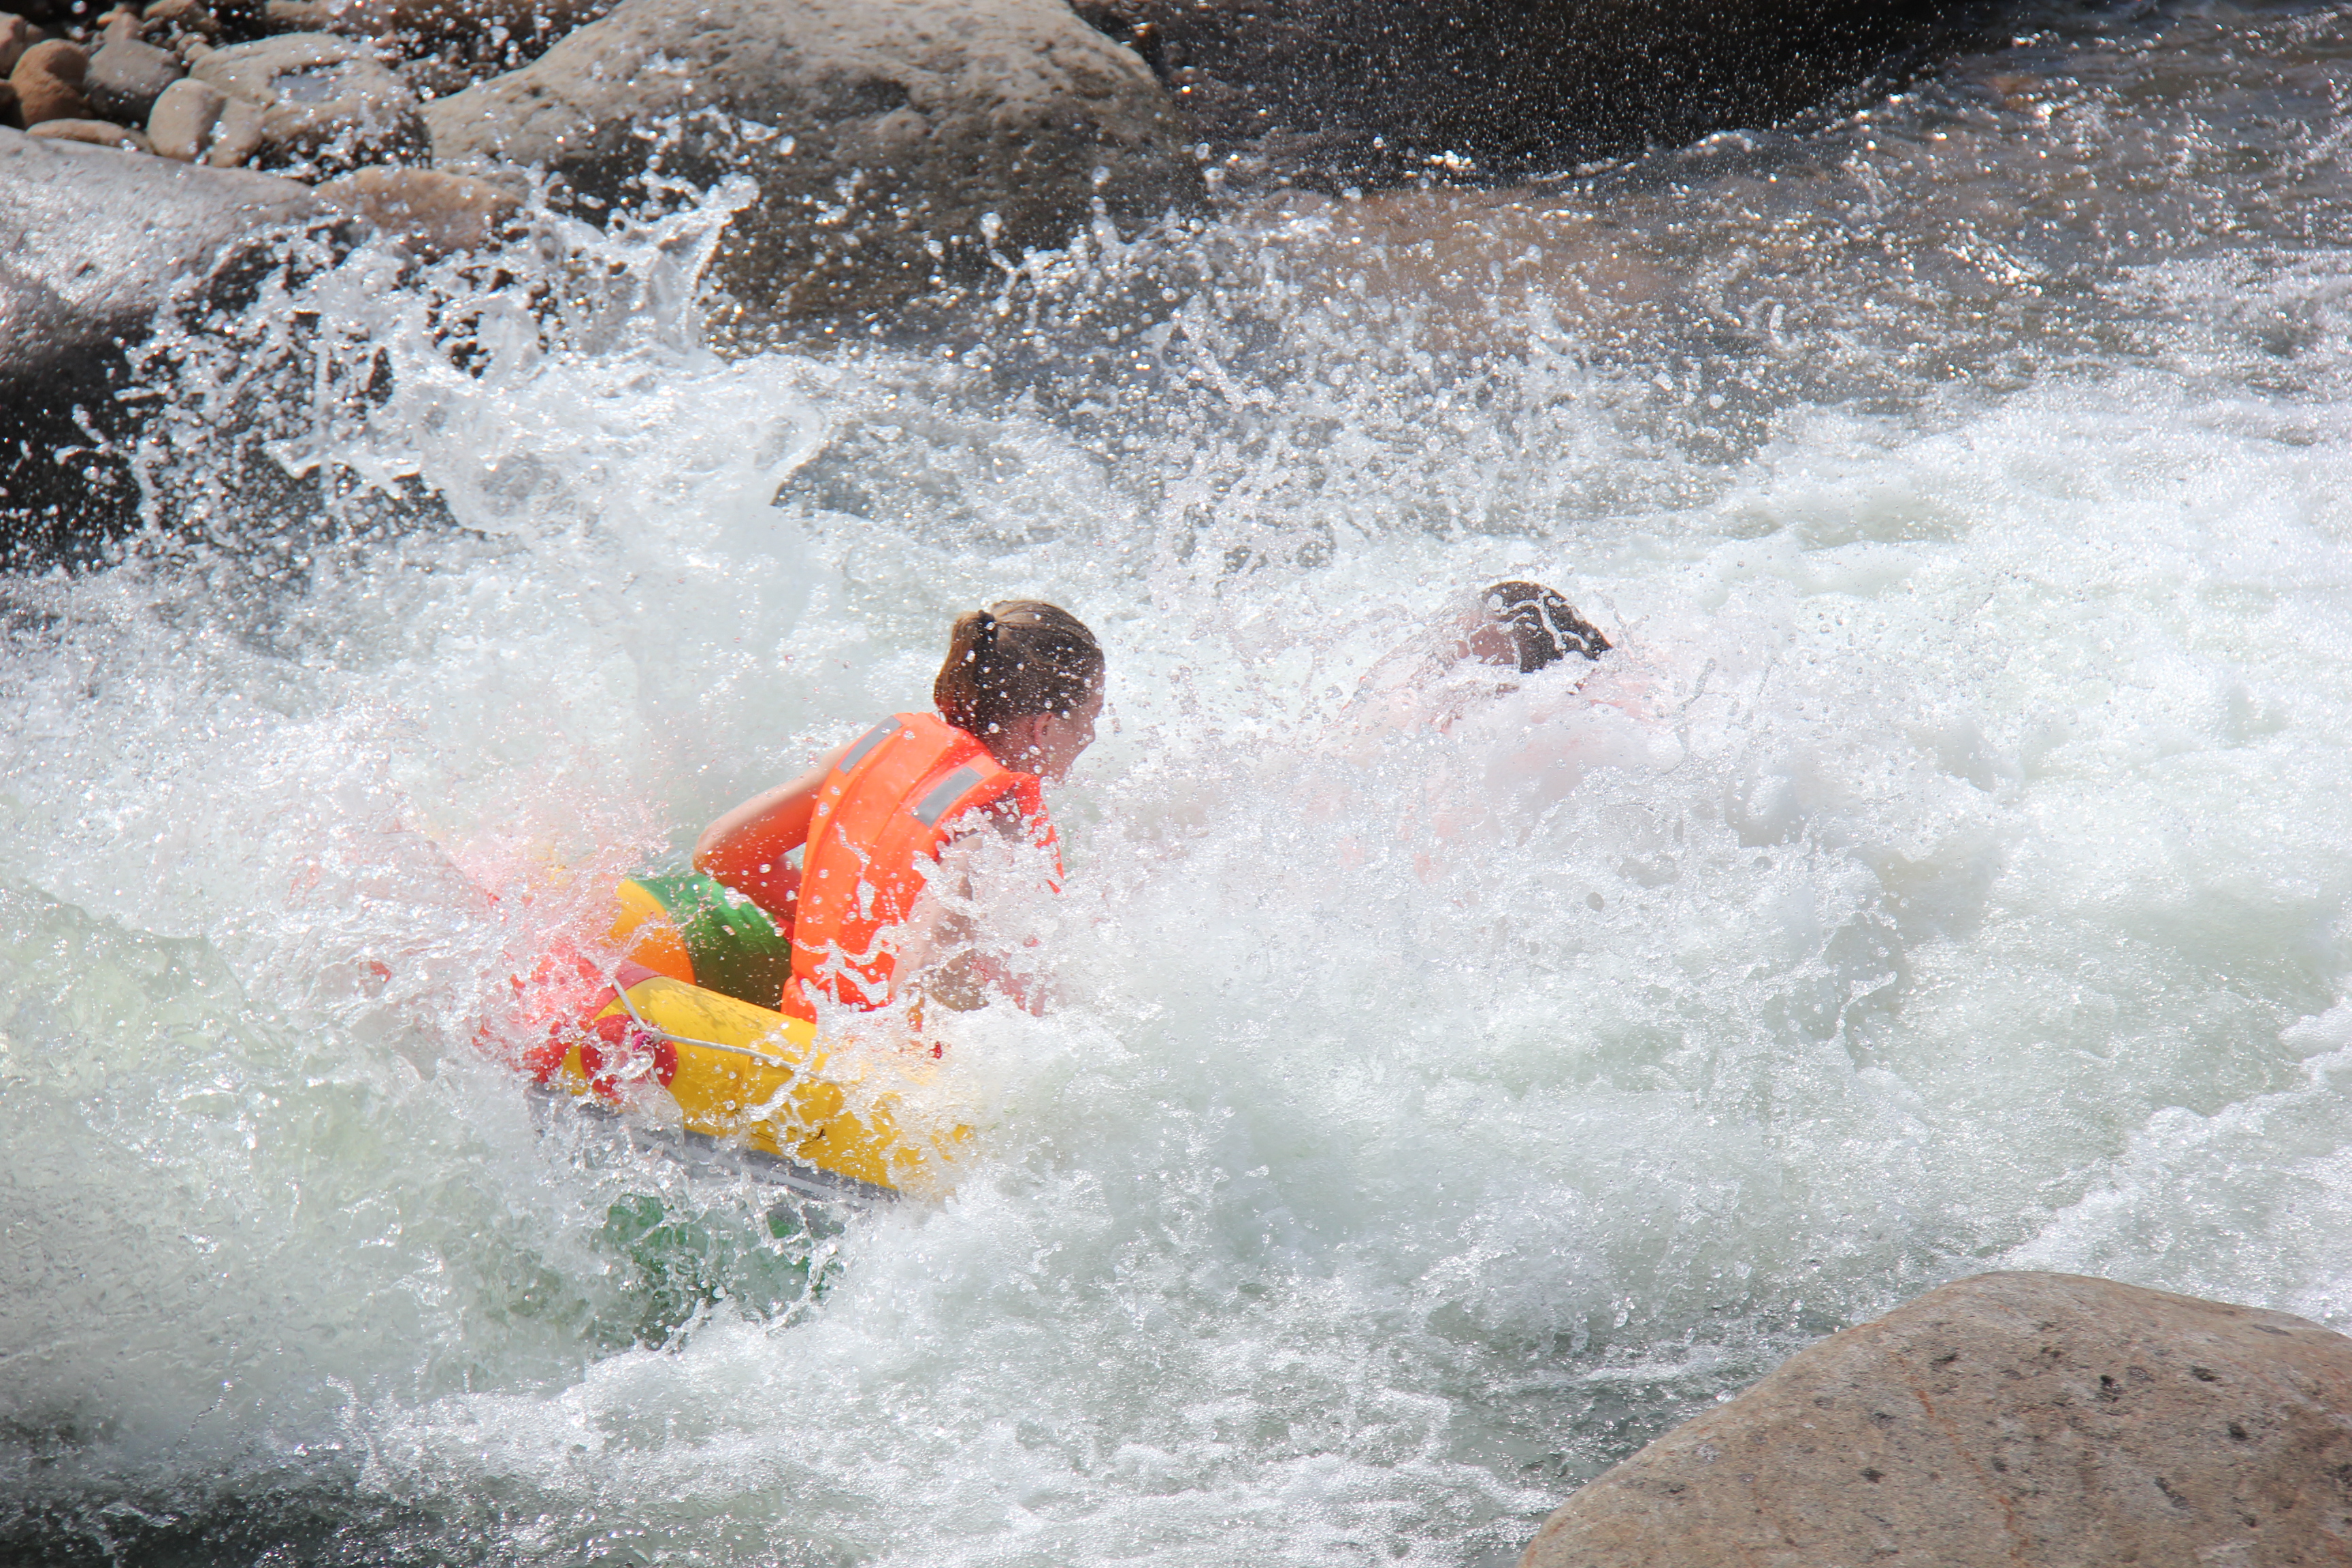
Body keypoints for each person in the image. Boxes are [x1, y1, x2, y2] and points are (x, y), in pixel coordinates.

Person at [692, 600, 1105, 1021]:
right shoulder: (994, 821)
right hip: (863, 1066)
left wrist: (840, 925)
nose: (1092, 735)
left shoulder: (876, 754)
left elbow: (720, 851)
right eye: (1093, 715)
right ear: (1046, 727)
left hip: (805, 1020)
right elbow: (928, 975)